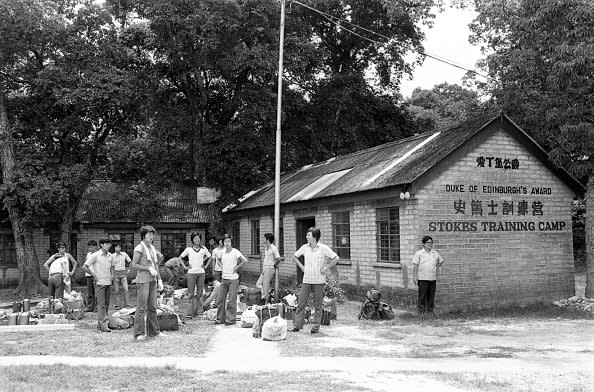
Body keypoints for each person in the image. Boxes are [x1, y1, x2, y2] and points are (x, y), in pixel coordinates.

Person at [291, 227, 339, 334]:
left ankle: (315, 327)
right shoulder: (304, 247)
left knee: (318, 304)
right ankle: (297, 325)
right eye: (307, 235)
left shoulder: (323, 248)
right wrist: (302, 266)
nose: (306, 237)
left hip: (319, 281)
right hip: (307, 280)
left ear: (315, 237)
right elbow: (294, 256)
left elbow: (336, 258)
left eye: (309, 235)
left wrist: (326, 268)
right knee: (301, 303)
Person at [131, 225, 164, 341]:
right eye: (149, 234)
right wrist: (147, 268)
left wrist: (160, 279)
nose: (151, 236)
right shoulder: (139, 248)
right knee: (141, 307)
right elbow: (134, 265)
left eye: (152, 234)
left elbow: (156, 265)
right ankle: (139, 333)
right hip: (143, 281)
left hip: (152, 280)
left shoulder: (152, 248)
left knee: (153, 307)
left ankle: (154, 332)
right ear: (143, 235)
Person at [83, 238, 114, 332]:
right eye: (107, 244)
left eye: (109, 244)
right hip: (99, 283)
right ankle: (103, 325)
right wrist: (93, 275)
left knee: (107, 304)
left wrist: (112, 275)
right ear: (101, 245)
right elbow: (84, 266)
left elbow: (112, 267)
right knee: (101, 305)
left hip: (108, 282)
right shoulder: (95, 255)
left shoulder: (110, 256)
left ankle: (102, 324)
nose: (109, 246)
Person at [216, 234, 248, 326]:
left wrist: (237, 268)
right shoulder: (221, 252)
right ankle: (220, 319)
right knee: (220, 299)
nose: (227, 243)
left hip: (233, 279)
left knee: (231, 300)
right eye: (225, 242)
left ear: (231, 242)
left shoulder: (235, 252)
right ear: (223, 243)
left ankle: (230, 320)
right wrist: (222, 267)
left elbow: (244, 260)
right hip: (224, 279)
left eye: (229, 241)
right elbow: (218, 260)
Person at [179, 232, 211, 318]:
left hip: (201, 273)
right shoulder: (188, 249)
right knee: (190, 294)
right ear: (192, 240)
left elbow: (210, 257)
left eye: (198, 238)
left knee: (200, 293)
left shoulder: (204, 249)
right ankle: (190, 313)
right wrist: (185, 267)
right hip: (191, 274)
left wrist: (206, 265)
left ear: (200, 239)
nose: (197, 240)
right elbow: (180, 258)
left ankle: (199, 312)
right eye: (195, 238)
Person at [412, 235, 444, 314]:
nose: (430, 244)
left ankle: (430, 312)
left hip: (432, 278)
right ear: (424, 244)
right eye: (428, 242)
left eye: (431, 242)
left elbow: (441, 261)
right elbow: (415, 266)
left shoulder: (435, 253)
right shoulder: (419, 253)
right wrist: (415, 277)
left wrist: (436, 267)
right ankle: (421, 313)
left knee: (431, 296)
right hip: (422, 278)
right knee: (422, 296)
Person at [256, 233, 280, 304]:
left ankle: (265, 303)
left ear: (267, 239)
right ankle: (265, 297)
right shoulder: (266, 248)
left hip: (270, 268)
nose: (263, 239)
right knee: (258, 283)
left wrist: (274, 265)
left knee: (266, 287)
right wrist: (264, 269)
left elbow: (278, 258)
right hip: (265, 269)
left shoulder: (273, 248)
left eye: (264, 238)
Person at [111, 242, 131, 310]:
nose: (118, 248)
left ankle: (127, 304)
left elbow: (130, 261)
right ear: (114, 248)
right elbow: (111, 266)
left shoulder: (124, 254)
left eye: (119, 247)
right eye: (117, 247)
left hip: (123, 273)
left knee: (126, 289)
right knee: (116, 290)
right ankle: (117, 305)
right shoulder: (112, 256)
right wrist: (112, 274)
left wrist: (129, 270)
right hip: (115, 273)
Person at [84, 240, 99, 312]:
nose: (90, 248)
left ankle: (96, 307)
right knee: (90, 292)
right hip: (88, 275)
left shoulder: (98, 254)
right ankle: (89, 307)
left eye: (91, 247)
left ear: (95, 247)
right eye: (89, 247)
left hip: (96, 275)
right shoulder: (88, 254)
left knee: (97, 292)